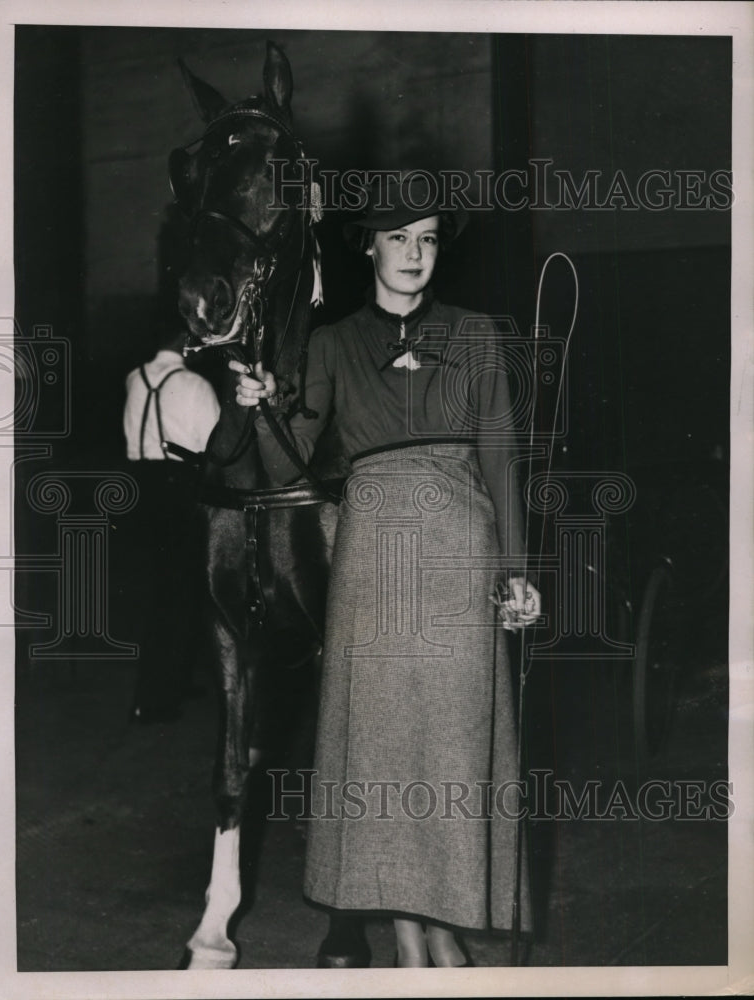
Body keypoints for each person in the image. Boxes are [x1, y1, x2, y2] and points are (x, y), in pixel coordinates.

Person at [231, 174, 540, 967]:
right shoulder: (331, 343)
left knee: (452, 747)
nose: (413, 254)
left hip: (457, 553)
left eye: (428, 238)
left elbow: (502, 458)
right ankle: (414, 938)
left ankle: (441, 924)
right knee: (381, 753)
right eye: (398, 237)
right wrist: (265, 400)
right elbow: (292, 452)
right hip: (371, 558)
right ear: (367, 245)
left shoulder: (475, 335)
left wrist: (515, 570)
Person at [123, 327, 220, 724]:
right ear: (187, 346)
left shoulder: (135, 378)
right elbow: (215, 447)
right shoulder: (194, 384)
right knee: (182, 593)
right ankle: (158, 699)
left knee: (162, 589)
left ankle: (171, 682)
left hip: (143, 488)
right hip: (182, 490)